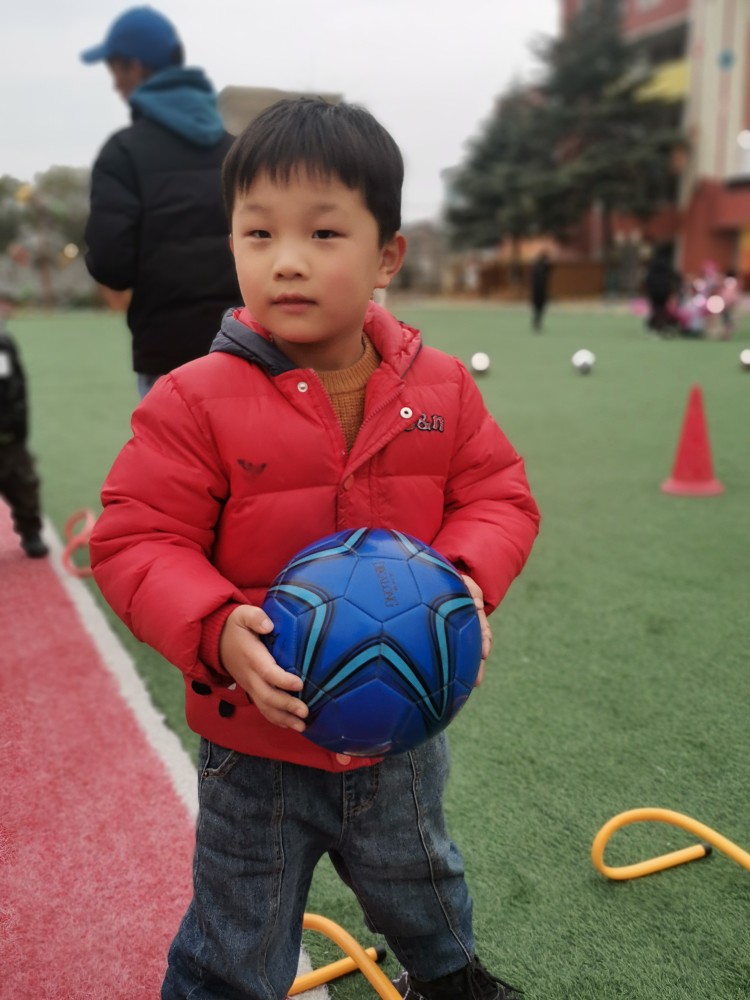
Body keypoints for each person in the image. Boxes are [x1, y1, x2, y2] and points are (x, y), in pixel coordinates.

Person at [90, 98, 540, 1000]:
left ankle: (448, 975)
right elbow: (138, 537)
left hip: (401, 730)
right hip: (255, 741)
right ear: (232, 244)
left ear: (386, 257)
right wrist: (216, 628)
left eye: (323, 233)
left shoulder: (441, 388)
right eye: (259, 233)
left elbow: (498, 496)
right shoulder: (193, 399)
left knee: (421, 874)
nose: (287, 260)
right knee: (239, 927)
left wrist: (462, 580)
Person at [80, 6, 241, 398]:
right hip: (247, 347)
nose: (115, 84)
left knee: (171, 441)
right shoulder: (240, 152)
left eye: (115, 70)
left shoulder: (122, 154)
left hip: (167, 356)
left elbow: (111, 265)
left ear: (134, 67)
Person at [0, 299, 49, 558]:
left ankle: (31, 532)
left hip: (6, 434)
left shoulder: (1, 346)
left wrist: (13, 426)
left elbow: (11, 388)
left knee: (22, 483)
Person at [529, 251, 552, 331]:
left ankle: (537, 322)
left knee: (539, 309)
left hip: (539, 291)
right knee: (538, 309)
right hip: (538, 291)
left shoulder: (541, 267)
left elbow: (550, 269)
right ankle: (537, 323)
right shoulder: (539, 268)